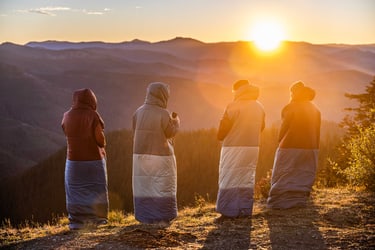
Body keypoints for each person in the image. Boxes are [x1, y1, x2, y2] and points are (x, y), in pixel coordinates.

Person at [215, 80, 265, 222]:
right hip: (253, 147)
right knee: (246, 177)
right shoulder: (259, 106)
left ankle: (227, 212)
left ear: (238, 90)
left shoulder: (233, 106)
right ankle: (244, 209)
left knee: (229, 178)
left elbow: (222, 131)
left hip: (233, 147)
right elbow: (262, 126)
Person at [267, 81, 321, 209]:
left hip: (290, 145)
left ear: (294, 93)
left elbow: (284, 127)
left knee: (284, 171)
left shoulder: (290, 107)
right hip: (311, 146)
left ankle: (279, 202)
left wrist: (280, 141)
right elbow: (317, 130)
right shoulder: (315, 109)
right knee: (304, 172)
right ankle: (299, 200)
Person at [132, 82, 180, 224]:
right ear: (163, 96)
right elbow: (170, 133)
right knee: (162, 185)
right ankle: (163, 216)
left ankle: (145, 216)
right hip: (161, 156)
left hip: (140, 155)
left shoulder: (138, 112)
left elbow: (134, 132)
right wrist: (176, 121)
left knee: (144, 185)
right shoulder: (164, 113)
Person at [62, 88, 109, 230]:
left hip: (73, 161)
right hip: (93, 160)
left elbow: (66, 131)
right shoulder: (93, 115)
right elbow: (100, 140)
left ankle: (76, 221)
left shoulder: (66, 115)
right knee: (97, 188)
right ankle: (98, 220)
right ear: (92, 100)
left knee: (75, 190)